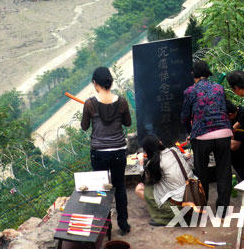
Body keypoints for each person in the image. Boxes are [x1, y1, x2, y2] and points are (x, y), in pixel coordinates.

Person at [81, 66, 131, 235]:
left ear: (95, 83)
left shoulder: (89, 103)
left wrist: (88, 113)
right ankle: (123, 224)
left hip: (99, 152)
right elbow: (128, 123)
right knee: (120, 186)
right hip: (118, 150)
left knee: (102, 189)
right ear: (110, 82)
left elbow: (84, 126)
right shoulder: (122, 101)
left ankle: (106, 225)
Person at [181, 59, 232, 214]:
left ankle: (202, 207)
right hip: (224, 133)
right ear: (208, 73)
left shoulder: (190, 91)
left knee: (201, 171)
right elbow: (224, 109)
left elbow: (184, 116)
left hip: (202, 136)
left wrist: (191, 132)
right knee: (224, 171)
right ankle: (222, 209)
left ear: (193, 74)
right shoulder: (219, 88)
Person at [135, 134, 194, 226]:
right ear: (160, 142)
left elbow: (146, 180)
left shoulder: (154, 163)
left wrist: (141, 163)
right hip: (195, 195)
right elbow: (182, 159)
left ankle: (164, 217)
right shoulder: (174, 150)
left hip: (180, 204)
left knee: (140, 188)